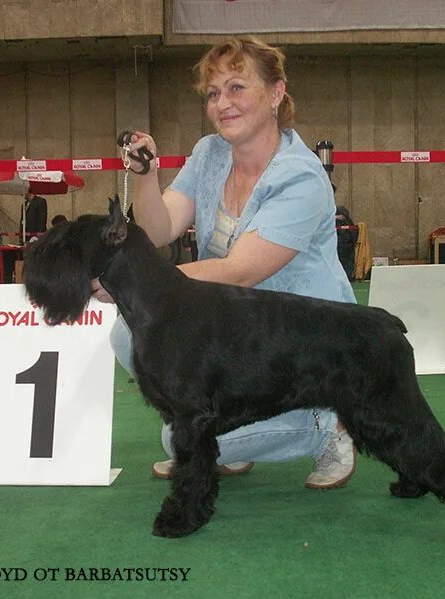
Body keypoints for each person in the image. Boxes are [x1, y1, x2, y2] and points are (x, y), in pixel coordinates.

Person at [96, 36, 358, 489]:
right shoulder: (210, 153)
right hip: (240, 330)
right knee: (129, 331)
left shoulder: (301, 177)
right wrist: (146, 176)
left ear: (276, 93)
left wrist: (136, 282)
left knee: (174, 437)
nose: (223, 103)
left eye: (237, 87)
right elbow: (158, 231)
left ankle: (328, 427)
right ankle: (231, 427)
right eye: (214, 93)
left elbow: (240, 271)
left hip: (302, 343)